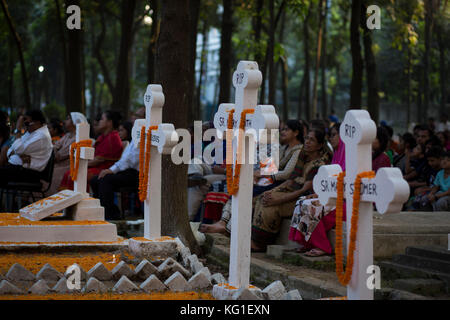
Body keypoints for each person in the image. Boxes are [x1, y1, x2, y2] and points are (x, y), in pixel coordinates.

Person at [251, 128, 332, 252]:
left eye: (312, 140)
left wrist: (277, 200)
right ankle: (255, 239)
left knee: (272, 207)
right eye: (307, 138)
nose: (307, 142)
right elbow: (290, 180)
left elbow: (303, 191)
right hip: (292, 191)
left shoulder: (319, 164)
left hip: (304, 198)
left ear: (320, 145)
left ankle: (263, 243)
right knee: (263, 197)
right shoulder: (303, 155)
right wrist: (272, 192)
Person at [288, 123, 345, 257]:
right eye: (330, 135)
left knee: (311, 206)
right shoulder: (336, 154)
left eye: (334, 135)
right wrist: (317, 194)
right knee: (302, 202)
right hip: (333, 197)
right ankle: (306, 243)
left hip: (344, 201)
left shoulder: (349, 154)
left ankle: (322, 246)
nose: (331, 139)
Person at [90, 108, 144, 220]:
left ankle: (111, 215)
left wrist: (112, 170)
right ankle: (100, 211)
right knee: (95, 179)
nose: (133, 118)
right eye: (134, 115)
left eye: (137, 116)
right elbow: (126, 158)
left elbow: (132, 159)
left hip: (138, 173)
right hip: (127, 170)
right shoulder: (137, 133)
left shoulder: (145, 133)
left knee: (106, 179)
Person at [59, 110, 123, 191]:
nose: (99, 122)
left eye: (102, 119)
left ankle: (79, 199)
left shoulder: (112, 138)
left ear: (109, 122)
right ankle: (69, 200)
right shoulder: (104, 136)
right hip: (95, 166)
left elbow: (98, 160)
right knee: (70, 173)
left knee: (73, 174)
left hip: (104, 170)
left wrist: (81, 164)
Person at [0, 109, 52, 189]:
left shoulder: (42, 136)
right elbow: (11, 149)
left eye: (27, 123)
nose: (25, 126)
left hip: (30, 173)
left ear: (37, 122)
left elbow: (18, 149)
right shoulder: (32, 132)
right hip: (18, 168)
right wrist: (17, 153)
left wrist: (18, 129)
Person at [253, 120, 304, 196]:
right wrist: (258, 174)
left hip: (285, 183)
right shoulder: (284, 148)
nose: (282, 132)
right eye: (282, 129)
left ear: (296, 133)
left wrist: (264, 174)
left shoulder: (299, 150)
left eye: (286, 130)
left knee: (253, 192)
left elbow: (286, 174)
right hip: (274, 179)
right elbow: (273, 166)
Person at [46, 112, 87, 196]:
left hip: (67, 166)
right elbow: (55, 146)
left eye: (68, 119)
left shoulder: (78, 138)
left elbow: (58, 156)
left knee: (49, 175)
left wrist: (54, 148)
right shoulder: (68, 135)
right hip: (59, 164)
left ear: (75, 122)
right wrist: (54, 148)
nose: (65, 121)